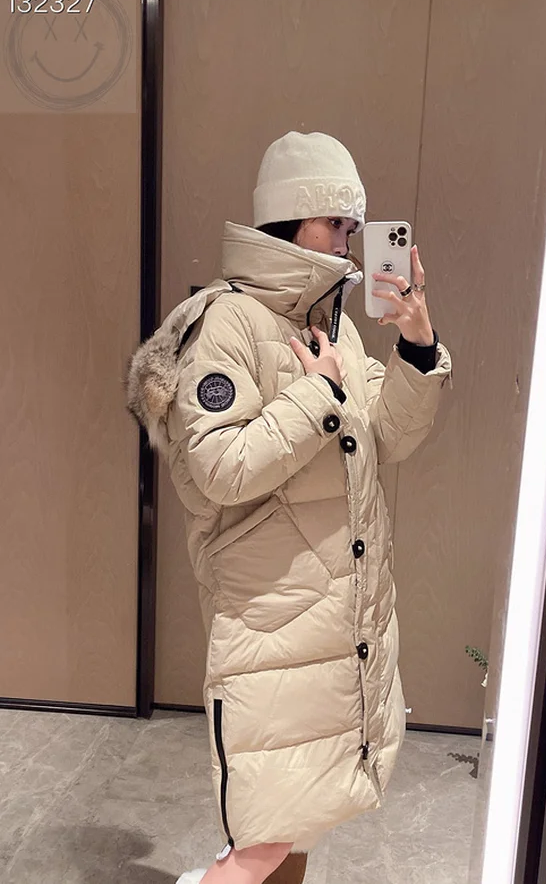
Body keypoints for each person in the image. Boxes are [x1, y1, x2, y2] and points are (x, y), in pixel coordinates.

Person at [126, 131, 453, 884]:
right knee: (266, 836)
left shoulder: (332, 327)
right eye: (336, 222)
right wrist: (319, 392)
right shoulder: (225, 324)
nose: (348, 242)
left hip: (340, 616)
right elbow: (218, 468)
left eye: (353, 226)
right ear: (291, 216)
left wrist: (415, 343)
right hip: (273, 623)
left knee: (300, 816)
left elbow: (388, 435)